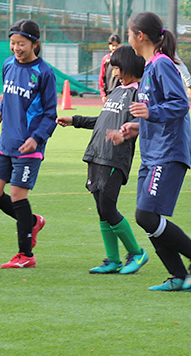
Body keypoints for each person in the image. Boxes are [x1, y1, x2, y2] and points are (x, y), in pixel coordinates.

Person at [113, 11, 191, 291]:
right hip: (153, 152)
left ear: (140, 36)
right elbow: (154, 112)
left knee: (147, 215)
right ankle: (178, 276)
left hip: (169, 152)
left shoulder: (162, 65)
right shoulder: (150, 68)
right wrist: (136, 126)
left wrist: (149, 111)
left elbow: (180, 104)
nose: (129, 39)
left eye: (130, 34)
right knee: (145, 216)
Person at [57, 45, 149, 275]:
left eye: (117, 68)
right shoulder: (117, 90)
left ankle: (136, 253)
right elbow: (102, 120)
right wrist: (75, 120)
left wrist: (126, 133)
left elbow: (147, 124)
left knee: (108, 207)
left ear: (127, 66)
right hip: (96, 154)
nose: (114, 73)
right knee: (101, 210)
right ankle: (113, 260)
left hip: (114, 157)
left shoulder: (140, 93)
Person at [0, 19, 57, 268]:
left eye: (21, 43)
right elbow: (8, 96)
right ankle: (33, 222)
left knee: (17, 195)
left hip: (29, 146)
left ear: (35, 44)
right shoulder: (7, 65)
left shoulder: (44, 73)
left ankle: (26, 255)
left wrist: (35, 139)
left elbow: (51, 114)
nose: (16, 48)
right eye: (13, 43)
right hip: (6, 143)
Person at [99, 33, 122, 103]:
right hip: (109, 93)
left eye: (116, 45)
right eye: (112, 45)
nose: (114, 48)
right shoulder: (106, 59)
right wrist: (103, 94)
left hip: (121, 92)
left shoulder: (123, 58)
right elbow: (102, 77)